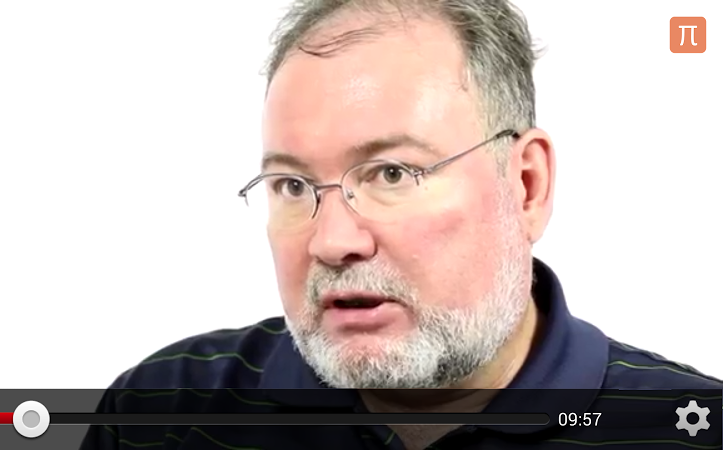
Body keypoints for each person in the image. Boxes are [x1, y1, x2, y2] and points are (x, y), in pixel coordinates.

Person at [80, 1, 722, 449]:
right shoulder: (164, 413)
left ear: (527, 185)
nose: (334, 241)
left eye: (391, 174)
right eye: (292, 186)